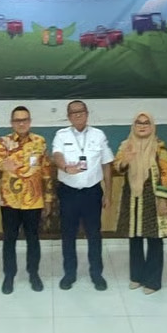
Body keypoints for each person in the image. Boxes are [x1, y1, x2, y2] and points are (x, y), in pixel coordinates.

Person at [51, 99, 114, 290]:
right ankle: (69, 274)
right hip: (68, 192)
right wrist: (65, 167)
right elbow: (56, 155)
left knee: (94, 234)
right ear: (68, 116)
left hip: (92, 192)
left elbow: (107, 164)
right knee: (68, 234)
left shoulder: (98, 135)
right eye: (73, 112)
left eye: (81, 111)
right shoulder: (61, 135)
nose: (77, 114)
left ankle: (97, 274)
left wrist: (108, 193)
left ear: (87, 113)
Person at [0, 105, 52, 294]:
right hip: (10, 200)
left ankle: (33, 274)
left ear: (30, 121)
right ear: (12, 123)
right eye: (17, 120)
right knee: (9, 239)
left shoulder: (39, 142)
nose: (21, 123)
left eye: (24, 120)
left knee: (33, 239)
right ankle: (9, 276)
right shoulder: (4, 142)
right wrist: (5, 164)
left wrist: (48, 199)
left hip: (33, 200)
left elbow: (46, 171)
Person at [113, 112, 167, 294]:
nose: (142, 126)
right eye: (138, 123)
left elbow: (166, 176)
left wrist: (163, 200)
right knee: (134, 238)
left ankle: (153, 281)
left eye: (146, 123)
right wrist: (125, 161)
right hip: (132, 198)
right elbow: (118, 167)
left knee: (154, 239)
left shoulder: (160, 148)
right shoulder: (126, 145)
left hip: (152, 198)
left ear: (152, 126)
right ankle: (137, 276)